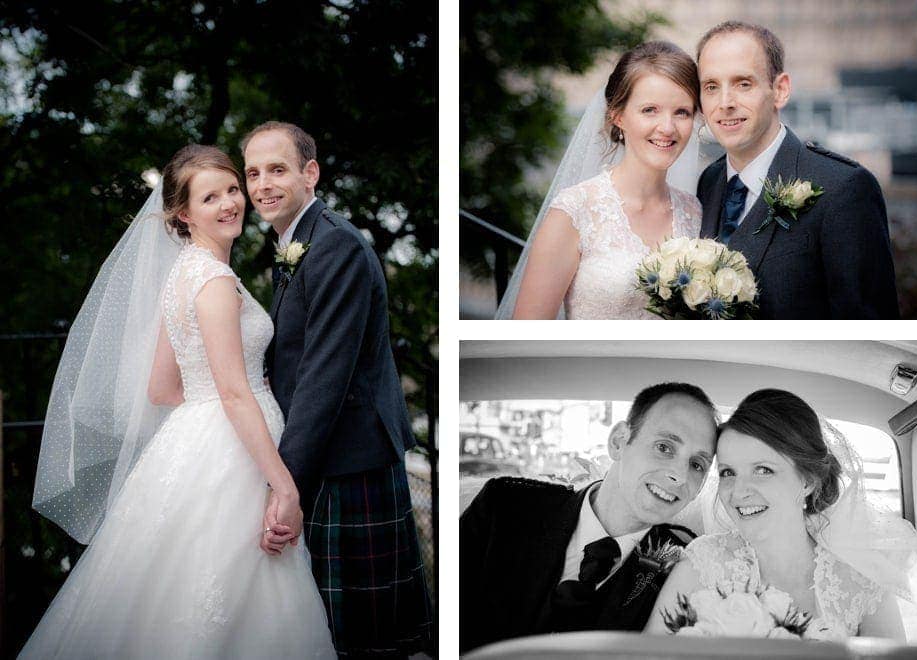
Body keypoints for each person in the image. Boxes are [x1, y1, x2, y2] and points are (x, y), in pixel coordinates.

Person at [22, 145, 335, 659]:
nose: (231, 202)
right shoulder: (212, 281)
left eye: (232, 189)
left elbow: (161, 389)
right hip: (235, 453)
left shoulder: (182, 275)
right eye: (211, 197)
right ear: (183, 213)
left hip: (196, 441)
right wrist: (286, 488)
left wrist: (207, 405)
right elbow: (233, 391)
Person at [241, 122, 432, 657]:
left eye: (276, 169)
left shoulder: (334, 246)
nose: (262, 185)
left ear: (310, 173)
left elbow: (324, 377)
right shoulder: (299, 243)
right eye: (253, 173)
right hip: (335, 458)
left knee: (364, 639)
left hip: (352, 461)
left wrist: (286, 485)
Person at [646, 389, 917, 640]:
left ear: (808, 481)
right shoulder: (703, 562)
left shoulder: (862, 582)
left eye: (763, 470)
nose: (738, 492)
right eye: (728, 472)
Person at [460, 383, 719, 653]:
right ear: (619, 441)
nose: (680, 475)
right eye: (664, 447)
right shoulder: (506, 506)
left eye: (697, 465)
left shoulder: (687, 568)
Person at [695, 21, 899, 319]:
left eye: (743, 84)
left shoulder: (843, 189)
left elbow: (868, 328)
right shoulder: (708, 182)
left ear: (780, 90)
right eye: (711, 87)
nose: (725, 103)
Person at [497, 41, 704, 319]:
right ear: (617, 115)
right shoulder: (574, 210)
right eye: (649, 110)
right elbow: (526, 337)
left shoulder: (695, 211)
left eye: (682, 112)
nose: (667, 127)